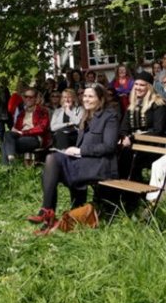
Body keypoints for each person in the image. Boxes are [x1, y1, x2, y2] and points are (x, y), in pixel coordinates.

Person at [28, 85, 119, 233]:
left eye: (91, 96)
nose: (86, 99)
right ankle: (47, 212)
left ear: (100, 99)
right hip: (83, 161)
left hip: (100, 164)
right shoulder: (87, 115)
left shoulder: (110, 116)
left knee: (55, 163)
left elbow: (109, 147)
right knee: (52, 158)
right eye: (85, 96)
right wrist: (73, 152)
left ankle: (50, 219)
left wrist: (80, 151)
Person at [118, 71, 166, 180]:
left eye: (142, 85)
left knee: (130, 157)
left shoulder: (159, 104)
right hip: (133, 145)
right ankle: (118, 190)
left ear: (149, 87)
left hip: (153, 146)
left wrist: (133, 138)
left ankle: (131, 193)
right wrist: (125, 136)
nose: (138, 88)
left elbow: (158, 130)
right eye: (136, 84)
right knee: (119, 154)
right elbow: (123, 128)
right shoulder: (132, 106)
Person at [1, 88, 50, 165]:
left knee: (5, 144)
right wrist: (15, 129)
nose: (28, 99)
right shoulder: (22, 113)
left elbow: (42, 128)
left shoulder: (42, 111)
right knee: (7, 134)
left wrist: (24, 132)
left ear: (36, 98)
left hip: (36, 138)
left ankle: (7, 167)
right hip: (21, 136)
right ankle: (11, 157)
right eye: (26, 96)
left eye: (31, 97)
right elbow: (17, 127)